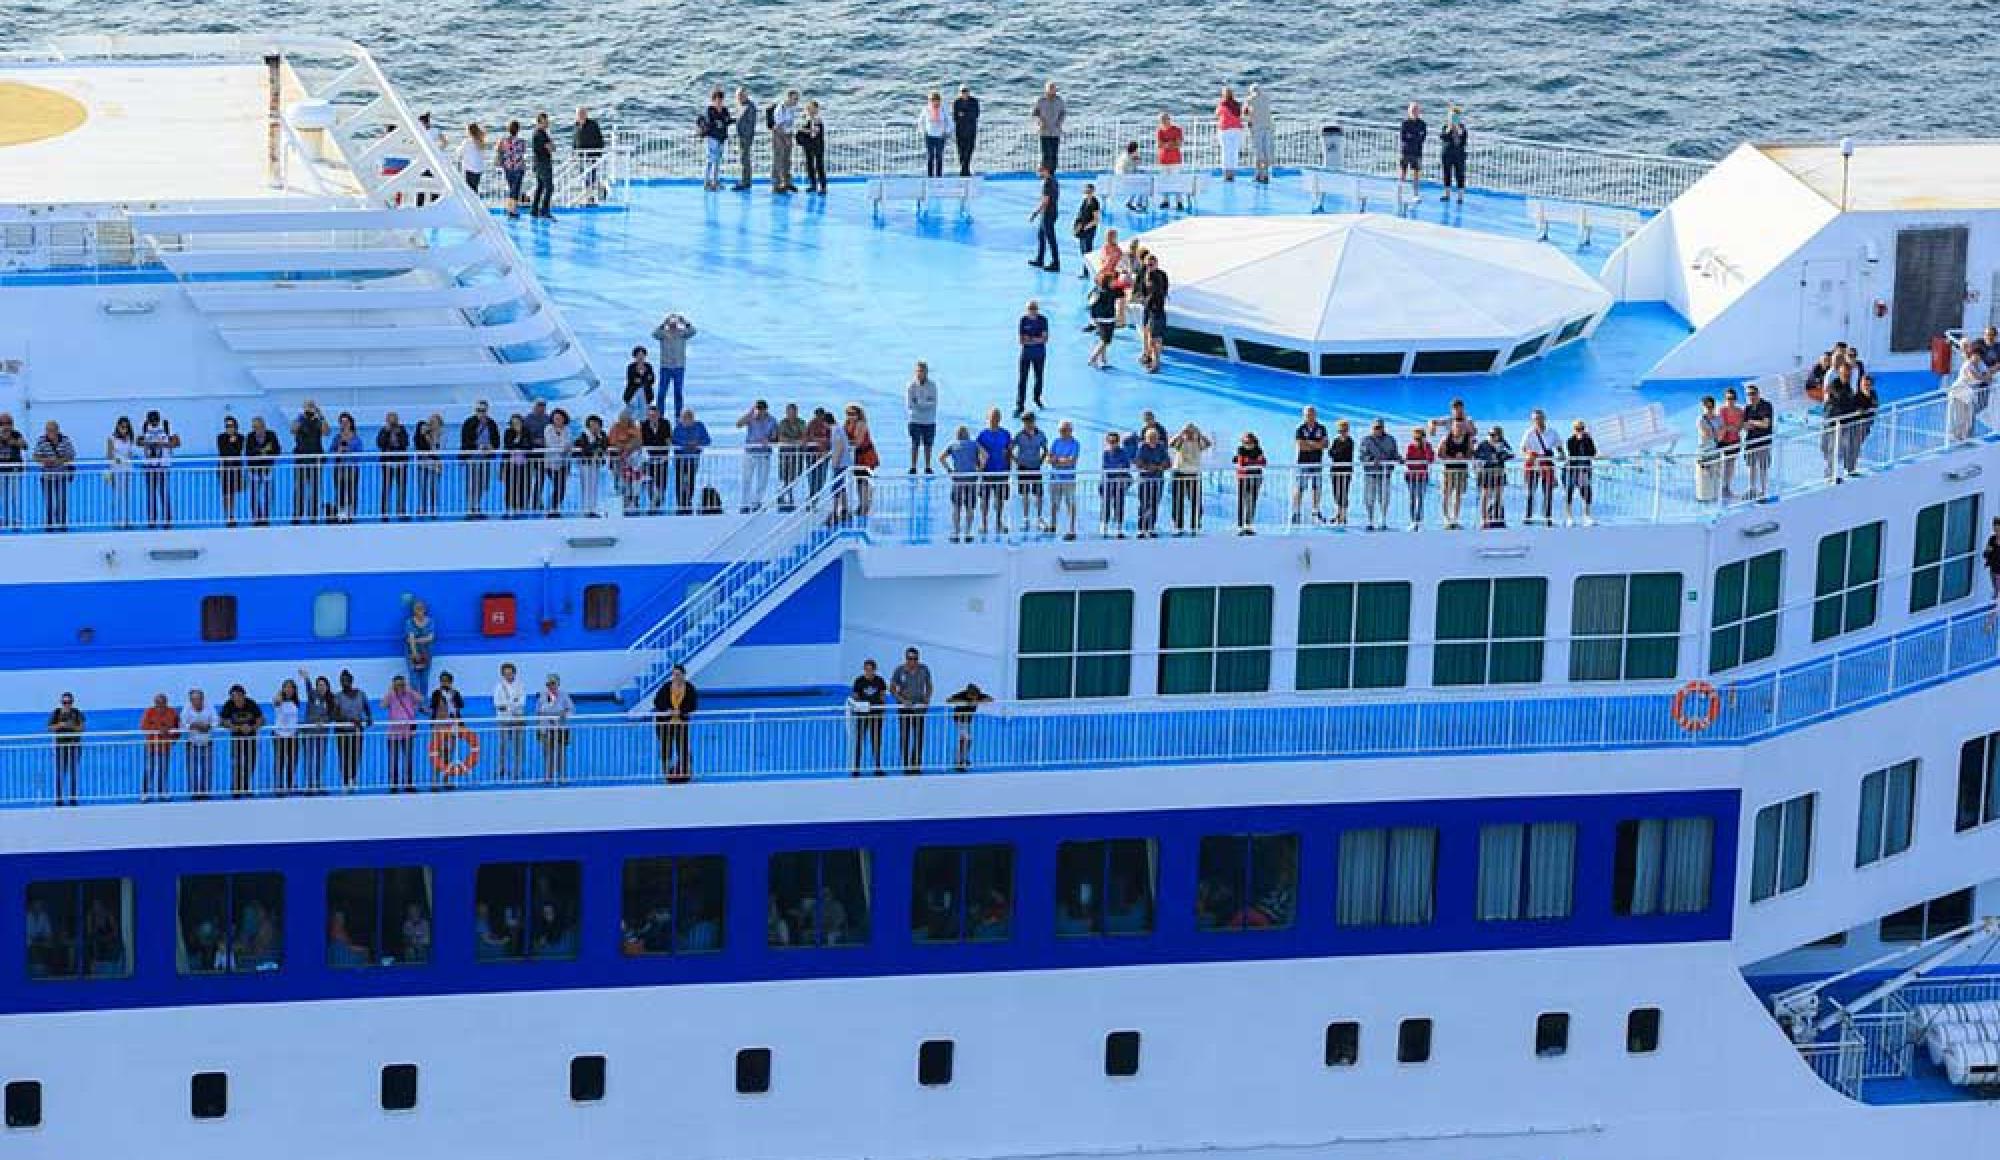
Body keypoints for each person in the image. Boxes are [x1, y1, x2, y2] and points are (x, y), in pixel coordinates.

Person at [890, 647, 933, 774]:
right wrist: (902, 700)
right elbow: (892, 688)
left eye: (915, 659)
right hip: (904, 708)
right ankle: (906, 764)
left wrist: (927, 698)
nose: (912, 661)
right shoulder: (899, 670)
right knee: (905, 736)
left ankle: (916, 764)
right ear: (906, 658)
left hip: (919, 708)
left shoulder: (924, 669)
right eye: (910, 658)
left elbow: (929, 685)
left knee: (919, 736)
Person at [652, 664, 698, 783]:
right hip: (666, 723)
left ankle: (686, 772)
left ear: (684, 674)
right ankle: (666, 773)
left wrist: (681, 711)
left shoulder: (689, 688)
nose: (675, 677)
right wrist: (667, 710)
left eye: (678, 674)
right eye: (674, 674)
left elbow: (693, 705)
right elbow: (657, 701)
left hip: (681, 723)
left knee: (683, 747)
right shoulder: (666, 687)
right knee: (666, 748)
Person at [219, 684, 263, 799]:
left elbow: (261, 719)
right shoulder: (228, 705)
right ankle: (236, 788)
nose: (236, 698)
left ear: (243, 695)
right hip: (236, 739)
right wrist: (235, 727)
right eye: (233, 696)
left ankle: (245, 786)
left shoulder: (251, 703)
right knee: (237, 764)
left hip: (251, 739)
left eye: (238, 695)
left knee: (250, 763)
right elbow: (222, 720)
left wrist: (252, 727)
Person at [381, 675, 423, 794]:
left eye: (402, 684)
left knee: (408, 759)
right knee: (393, 760)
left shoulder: (409, 695)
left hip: (407, 733)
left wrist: (409, 690)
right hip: (393, 734)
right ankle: (393, 785)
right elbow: (382, 705)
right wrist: (390, 691)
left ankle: (408, 784)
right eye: (397, 684)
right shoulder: (391, 696)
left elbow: (421, 699)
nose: (400, 687)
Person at [138, 409, 178, 529]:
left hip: (163, 465)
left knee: (164, 493)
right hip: (149, 466)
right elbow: (138, 441)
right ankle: (152, 520)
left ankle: (167, 520)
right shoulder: (145, 427)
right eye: (151, 421)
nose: (153, 423)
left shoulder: (166, 426)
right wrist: (148, 443)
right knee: (151, 494)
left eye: (155, 420)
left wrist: (161, 444)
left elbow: (177, 442)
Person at [331, 670, 370, 791]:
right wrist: (350, 719)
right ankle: (345, 781)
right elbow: (335, 715)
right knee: (344, 756)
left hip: (357, 730)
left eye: (346, 680)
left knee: (355, 755)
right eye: (342, 681)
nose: (344, 683)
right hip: (342, 731)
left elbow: (367, 709)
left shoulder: (361, 694)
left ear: (351, 681)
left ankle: (353, 778)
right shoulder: (337, 697)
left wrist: (368, 718)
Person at [1169, 422, 1212, 535]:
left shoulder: (1198, 442)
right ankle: (1178, 526)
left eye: (1192, 432)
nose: (1189, 434)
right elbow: (1172, 444)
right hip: (1179, 473)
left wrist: (1199, 434)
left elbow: (1208, 444)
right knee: (1178, 501)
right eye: (1188, 432)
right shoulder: (1181, 441)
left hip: (1194, 474)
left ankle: (1195, 525)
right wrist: (1181, 433)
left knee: (1196, 500)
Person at [33, 419, 75, 532]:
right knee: (49, 501)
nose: (49, 432)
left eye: (52, 430)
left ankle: (62, 523)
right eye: (47, 430)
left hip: (61, 476)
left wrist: (59, 461)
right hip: (46, 477)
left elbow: (71, 455)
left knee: (62, 500)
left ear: (57, 430)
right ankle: (50, 524)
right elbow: (35, 456)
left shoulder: (65, 440)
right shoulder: (41, 440)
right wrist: (45, 460)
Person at [459, 400, 499, 518]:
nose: (481, 413)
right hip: (472, 458)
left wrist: (491, 446)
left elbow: (496, 440)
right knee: (472, 483)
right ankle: (471, 507)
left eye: (483, 410)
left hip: (485, 458)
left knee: (483, 483)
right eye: (479, 410)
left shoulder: (491, 423)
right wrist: (477, 446)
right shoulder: (469, 422)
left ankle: (477, 505)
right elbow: (465, 440)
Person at [940, 425, 981, 542]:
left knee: (956, 507)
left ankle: (956, 532)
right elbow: (985, 455)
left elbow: (941, 458)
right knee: (969, 507)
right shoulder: (974, 444)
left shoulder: (953, 445)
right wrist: (979, 468)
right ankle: (968, 532)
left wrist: (949, 470)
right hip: (971, 479)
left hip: (957, 479)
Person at [975, 409, 1012, 537]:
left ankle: (998, 522)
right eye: (992, 417)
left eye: (996, 417)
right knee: (985, 499)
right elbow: (977, 453)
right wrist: (979, 468)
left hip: (1001, 472)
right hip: (987, 473)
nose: (994, 420)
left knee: (1000, 499)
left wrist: (1008, 469)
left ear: (1000, 418)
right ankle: (984, 524)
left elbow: (1009, 451)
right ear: (988, 418)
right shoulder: (982, 435)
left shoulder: (1006, 434)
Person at [652, 313, 696, 420]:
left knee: (678, 392)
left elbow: (693, 331)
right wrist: (663, 323)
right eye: (671, 324)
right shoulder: (663, 334)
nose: (673, 326)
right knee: (662, 392)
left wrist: (685, 322)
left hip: (678, 367)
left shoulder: (682, 333)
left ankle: (678, 414)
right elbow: (655, 334)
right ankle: (660, 414)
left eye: (675, 323)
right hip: (665, 367)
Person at [1359, 418, 1401, 530]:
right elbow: (1362, 456)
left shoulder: (1391, 439)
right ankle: (1370, 520)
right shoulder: (1366, 440)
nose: (1378, 429)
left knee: (1384, 498)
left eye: (1380, 427)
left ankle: (1383, 520)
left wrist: (1399, 459)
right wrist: (1372, 460)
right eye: (1375, 427)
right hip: (1371, 474)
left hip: (1385, 474)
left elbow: (1394, 454)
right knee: (1369, 498)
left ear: (1383, 427)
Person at [848, 659, 888, 776]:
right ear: (864, 670)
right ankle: (856, 767)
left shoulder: (880, 681)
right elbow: (855, 696)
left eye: (871, 670)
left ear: (875, 670)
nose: (869, 672)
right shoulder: (859, 681)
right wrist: (861, 705)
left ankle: (877, 767)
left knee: (876, 741)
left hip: (876, 715)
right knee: (860, 740)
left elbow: (883, 697)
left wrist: (881, 709)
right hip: (862, 715)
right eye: (867, 670)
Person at [1519, 410, 1559, 526]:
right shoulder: (1529, 433)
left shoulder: (1552, 432)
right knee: (1530, 491)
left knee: (1548, 491)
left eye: (1539, 418)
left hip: (1547, 464)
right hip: (1533, 465)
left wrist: (1561, 454)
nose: (1537, 421)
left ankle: (1547, 516)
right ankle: (1528, 515)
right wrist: (1528, 455)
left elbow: (1559, 445)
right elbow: (1522, 448)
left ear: (1544, 418)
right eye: (1535, 419)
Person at [490, 661, 528, 781]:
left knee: (518, 747)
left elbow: (522, 703)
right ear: (502, 674)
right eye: (506, 674)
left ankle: (517, 770)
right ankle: (501, 768)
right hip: (504, 720)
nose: (508, 676)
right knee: (503, 746)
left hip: (518, 719)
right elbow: (497, 704)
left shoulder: (521, 686)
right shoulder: (498, 687)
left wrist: (508, 706)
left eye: (510, 673)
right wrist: (512, 705)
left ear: (514, 673)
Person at [290, 400, 327, 524]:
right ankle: (297, 515)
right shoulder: (299, 420)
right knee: (299, 488)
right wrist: (302, 416)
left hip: (315, 460)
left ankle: (313, 515)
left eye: (311, 406)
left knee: (315, 488)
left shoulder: (318, 421)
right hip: (301, 459)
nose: (310, 409)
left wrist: (320, 414)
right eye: (308, 407)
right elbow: (293, 430)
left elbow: (326, 431)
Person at [1290, 406, 1328, 524]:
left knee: (1316, 487)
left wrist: (1310, 443)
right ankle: (1296, 512)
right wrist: (1316, 444)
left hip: (1317, 462)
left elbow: (1325, 444)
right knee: (1300, 488)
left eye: (1311, 414)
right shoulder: (1300, 429)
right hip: (1303, 462)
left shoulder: (1321, 428)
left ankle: (1315, 510)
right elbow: (1301, 446)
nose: (1309, 417)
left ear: (1315, 415)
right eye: (1307, 415)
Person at [1013, 412, 1049, 533]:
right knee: (1024, 494)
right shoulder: (1019, 435)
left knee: (1038, 494)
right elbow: (1010, 449)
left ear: (1033, 421)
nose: (1027, 424)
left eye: (1029, 421)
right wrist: (1016, 460)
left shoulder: (1041, 435)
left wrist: (1041, 461)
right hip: (1023, 467)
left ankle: (1039, 518)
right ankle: (1026, 518)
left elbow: (1045, 450)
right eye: (1025, 422)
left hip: (1035, 467)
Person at [301, 670, 335, 795]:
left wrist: (324, 721)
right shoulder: (313, 695)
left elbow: (332, 715)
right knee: (309, 759)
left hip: (322, 734)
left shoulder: (331, 699)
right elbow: (308, 688)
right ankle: (310, 786)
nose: (321, 687)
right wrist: (306, 678)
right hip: (308, 733)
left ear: (327, 686)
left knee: (320, 759)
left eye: (323, 685)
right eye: (319, 685)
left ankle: (319, 784)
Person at [140, 692, 179, 802]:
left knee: (163, 770)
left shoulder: (172, 712)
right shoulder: (149, 712)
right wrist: (158, 730)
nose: (160, 706)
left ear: (166, 703)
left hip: (165, 746)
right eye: (158, 703)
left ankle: (162, 792)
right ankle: (145, 792)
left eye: (162, 703)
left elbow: (176, 728)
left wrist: (172, 740)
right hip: (151, 746)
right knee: (149, 769)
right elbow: (144, 726)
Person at [670, 408, 711, 514]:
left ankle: (688, 502)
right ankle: (680, 505)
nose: (687, 420)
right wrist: (686, 443)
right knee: (680, 481)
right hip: (680, 459)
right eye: (685, 418)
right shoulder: (678, 428)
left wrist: (697, 443)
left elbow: (707, 440)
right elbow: (673, 440)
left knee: (690, 481)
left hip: (693, 460)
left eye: (689, 418)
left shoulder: (699, 426)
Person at [946, 683, 993, 772]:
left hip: (968, 721)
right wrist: (964, 703)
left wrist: (978, 702)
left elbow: (990, 699)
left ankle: (963, 758)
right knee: (965, 739)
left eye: (975, 696)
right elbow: (949, 700)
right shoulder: (962, 695)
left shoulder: (979, 695)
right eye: (972, 696)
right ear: (968, 694)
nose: (974, 698)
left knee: (968, 740)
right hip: (959, 720)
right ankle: (959, 761)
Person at [47, 692, 83, 807]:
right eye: (64, 702)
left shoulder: (77, 713)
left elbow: (82, 728)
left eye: (69, 702)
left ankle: (73, 798)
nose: (66, 704)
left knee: (73, 773)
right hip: (60, 747)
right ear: (61, 702)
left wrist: (71, 726)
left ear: (72, 702)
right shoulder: (56, 713)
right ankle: (59, 798)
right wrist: (61, 725)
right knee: (60, 773)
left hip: (73, 746)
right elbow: (49, 727)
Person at [844, 403, 879, 519]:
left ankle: (865, 504)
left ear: (858, 415)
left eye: (853, 414)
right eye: (848, 414)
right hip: (857, 455)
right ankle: (862, 504)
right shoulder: (847, 424)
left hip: (866, 455)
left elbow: (858, 442)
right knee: (859, 481)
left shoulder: (861, 424)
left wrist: (846, 444)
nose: (850, 416)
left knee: (863, 480)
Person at [1134, 425, 1170, 538]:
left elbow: (1168, 462)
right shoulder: (1142, 447)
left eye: (1155, 437)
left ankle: (1151, 528)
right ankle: (1141, 528)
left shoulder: (1161, 447)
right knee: (1144, 504)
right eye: (1150, 437)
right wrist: (1150, 467)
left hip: (1158, 480)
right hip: (1145, 480)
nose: (1153, 440)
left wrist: (1160, 467)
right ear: (1146, 438)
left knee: (1155, 504)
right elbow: (1139, 463)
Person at [1741, 383, 1775, 500]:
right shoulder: (1747, 408)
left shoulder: (1766, 406)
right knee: (1751, 467)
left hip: (1763, 443)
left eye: (1753, 394)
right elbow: (1745, 426)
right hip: (1750, 442)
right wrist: (1753, 423)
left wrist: (1752, 422)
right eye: (1748, 394)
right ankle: (1752, 489)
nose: (1751, 396)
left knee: (1763, 467)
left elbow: (1766, 424)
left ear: (1758, 394)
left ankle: (1763, 491)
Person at [1438, 417, 1474, 529]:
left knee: (1458, 495)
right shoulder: (1446, 438)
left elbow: (1470, 453)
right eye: (1457, 427)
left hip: (1462, 470)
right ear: (1452, 427)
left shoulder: (1467, 439)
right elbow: (1440, 454)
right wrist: (1453, 457)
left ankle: (1455, 518)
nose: (1459, 429)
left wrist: (1464, 457)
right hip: (1449, 470)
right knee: (1446, 494)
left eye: (1461, 427)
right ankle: (1446, 518)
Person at [1475, 425, 1513, 528]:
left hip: (1499, 472)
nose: (1491, 437)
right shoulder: (1483, 444)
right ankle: (1484, 519)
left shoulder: (1503, 444)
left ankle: (1497, 518)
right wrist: (1489, 457)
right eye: (1490, 434)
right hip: (1486, 472)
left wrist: (1500, 455)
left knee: (1498, 496)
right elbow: (1477, 455)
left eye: (1493, 435)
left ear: (1499, 436)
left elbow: (1511, 453)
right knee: (1485, 495)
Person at [1048, 420, 1081, 540]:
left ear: (1070, 431)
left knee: (1070, 504)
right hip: (1055, 478)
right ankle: (1053, 525)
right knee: (1054, 503)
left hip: (1068, 479)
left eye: (1063, 430)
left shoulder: (1075, 444)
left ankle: (1071, 529)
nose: (1061, 432)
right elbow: (1049, 458)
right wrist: (1060, 460)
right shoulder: (1056, 441)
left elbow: (1071, 461)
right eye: (1060, 430)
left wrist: (1057, 461)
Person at [329, 411, 364, 523]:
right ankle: (341, 513)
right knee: (340, 490)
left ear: (351, 423)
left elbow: (360, 453)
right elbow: (331, 451)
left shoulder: (356, 438)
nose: (344, 424)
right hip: (339, 467)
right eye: (342, 422)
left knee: (352, 490)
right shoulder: (337, 437)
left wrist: (349, 451)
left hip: (352, 467)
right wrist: (338, 451)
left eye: (346, 422)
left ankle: (351, 513)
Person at [183, 687, 217, 799]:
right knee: (192, 768)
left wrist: (208, 726)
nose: (197, 701)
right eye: (194, 699)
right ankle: (194, 792)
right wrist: (193, 726)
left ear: (203, 699)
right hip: (192, 743)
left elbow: (215, 721)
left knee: (207, 768)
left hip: (207, 742)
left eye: (199, 699)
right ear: (190, 700)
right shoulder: (186, 709)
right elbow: (183, 724)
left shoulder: (209, 707)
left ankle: (205, 791)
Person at [376, 411, 410, 520]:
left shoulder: (402, 430)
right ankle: (384, 512)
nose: (392, 422)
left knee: (401, 488)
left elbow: (405, 443)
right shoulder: (383, 430)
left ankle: (401, 511)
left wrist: (398, 434)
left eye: (394, 419)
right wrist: (386, 432)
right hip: (387, 462)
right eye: (390, 419)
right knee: (386, 487)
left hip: (400, 462)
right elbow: (380, 443)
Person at [270, 678, 302, 796]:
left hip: (293, 736)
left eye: (291, 688)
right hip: (279, 735)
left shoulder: (295, 703)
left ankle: (290, 784)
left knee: (292, 761)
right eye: (286, 687)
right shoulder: (279, 701)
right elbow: (275, 701)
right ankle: (278, 785)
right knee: (280, 761)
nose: (289, 690)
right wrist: (281, 693)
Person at [105, 415, 137, 529]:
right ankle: (116, 520)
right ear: (118, 427)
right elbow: (109, 455)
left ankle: (126, 520)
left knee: (126, 496)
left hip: (127, 469)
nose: (124, 429)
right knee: (117, 496)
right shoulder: (111, 438)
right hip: (116, 469)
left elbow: (131, 453)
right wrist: (116, 459)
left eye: (126, 427)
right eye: (122, 427)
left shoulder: (129, 439)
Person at [905, 364, 938, 475]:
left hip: (929, 420)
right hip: (915, 419)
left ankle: (927, 467)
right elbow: (910, 404)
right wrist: (923, 404)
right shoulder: (911, 386)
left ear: (926, 372)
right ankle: (913, 467)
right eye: (918, 371)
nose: (920, 373)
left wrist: (920, 403)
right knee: (915, 443)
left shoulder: (932, 386)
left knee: (928, 444)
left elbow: (933, 403)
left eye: (922, 371)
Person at [1564, 420, 1598, 526]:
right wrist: (1579, 440)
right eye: (1577, 429)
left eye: (1582, 428)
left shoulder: (1588, 440)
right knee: (1569, 491)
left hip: (1584, 469)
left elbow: (1592, 452)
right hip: (1572, 469)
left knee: (1586, 492)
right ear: (1574, 430)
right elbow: (1572, 451)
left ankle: (1586, 515)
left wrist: (1585, 440)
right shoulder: (1570, 440)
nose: (1580, 431)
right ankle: (1569, 517)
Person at [775, 402, 808, 510]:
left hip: (797, 454)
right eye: (789, 412)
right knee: (784, 476)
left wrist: (796, 441)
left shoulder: (801, 422)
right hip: (785, 454)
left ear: (796, 412)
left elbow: (804, 436)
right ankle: (784, 496)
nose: (791, 414)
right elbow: (781, 438)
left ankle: (788, 496)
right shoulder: (783, 423)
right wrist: (794, 441)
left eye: (793, 411)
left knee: (795, 476)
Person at [1140, 253, 1169, 372]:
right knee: (1147, 332)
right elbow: (1143, 290)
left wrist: (1147, 300)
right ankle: (1147, 355)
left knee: (1155, 338)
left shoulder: (1158, 276)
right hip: (1149, 309)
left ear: (1156, 264)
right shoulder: (1145, 274)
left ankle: (1156, 362)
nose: (1149, 266)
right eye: (1147, 265)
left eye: (1151, 264)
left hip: (1156, 310)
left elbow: (1159, 292)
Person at [1233, 431, 1266, 533]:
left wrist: (1250, 462)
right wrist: (1254, 461)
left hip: (1256, 478)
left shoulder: (1258, 450)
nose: (1248, 445)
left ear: (1255, 442)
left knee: (1252, 501)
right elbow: (1242, 462)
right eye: (1245, 442)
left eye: (1250, 442)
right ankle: (1240, 525)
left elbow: (1263, 462)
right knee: (1242, 501)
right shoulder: (1240, 449)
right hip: (1243, 478)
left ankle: (1249, 525)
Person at [1100, 431, 1132, 537]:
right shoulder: (1105, 453)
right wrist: (1117, 469)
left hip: (1119, 483)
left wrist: (1118, 470)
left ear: (1118, 442)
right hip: (1108, 483)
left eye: (1114, 441)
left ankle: (1119, 528)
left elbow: (1126, 466)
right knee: (1106, 505)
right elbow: (1106, 467)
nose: (1112, 443)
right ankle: (1104, 526)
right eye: (1110, 441)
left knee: (1119, 505)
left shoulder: (1123, 452)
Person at [1029, 165, 1061, 272]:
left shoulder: (1047, 183)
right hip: (1053, 211)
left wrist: (1035, 212)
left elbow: (1045, 201)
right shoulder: (1054, 180)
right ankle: (1040, 259)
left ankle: (1055, 263)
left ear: (1045, 171)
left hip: (1047, 213)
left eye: (1039, 171)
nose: (1038, 174)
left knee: (1050, 238)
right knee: (1041, 236)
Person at [1086, 269, 1120, 370]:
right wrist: (1094, 319)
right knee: (1106, 341)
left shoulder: (1111, 291)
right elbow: (1093, 306)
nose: (1115, 282)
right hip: (1104, 320)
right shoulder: (1101, 293)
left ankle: (1103, 360)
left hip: (1108, 319)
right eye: (1113, 280)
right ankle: (1093, 358)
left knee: (1103, 339)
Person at [1845, 375, 1878, 476]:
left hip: (1866, 425)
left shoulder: (1873, 394)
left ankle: (1849, 466)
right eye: (1864, 385)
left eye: (1868, 385)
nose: (1866, 387)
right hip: (1856, 425)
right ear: (1860, 385)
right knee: (1854, 446)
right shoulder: (1857, 396)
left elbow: (1875, 406)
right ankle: (1850, 468)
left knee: (1857, 446)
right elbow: (1853, 409)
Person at [698, 88, 730, 191]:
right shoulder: (710, 110)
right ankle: (707, 182)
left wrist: (723, 122)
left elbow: (727, 121)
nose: (719, 101)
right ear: (713, 100)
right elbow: (711, 123)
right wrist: (720, 122)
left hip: (721, 138)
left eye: (721, 99)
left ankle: (715, 182)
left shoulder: (725, 110)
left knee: (718, 161)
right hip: (712, 138)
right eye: (717, 99)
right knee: (710, 160)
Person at [403, 599, 436, 698]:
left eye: (421, 608)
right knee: (413, 679)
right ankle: (414, 703)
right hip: (412, 653)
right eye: (417, 609)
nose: (419, 611)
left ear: (425, 609)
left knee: (425, 679)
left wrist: (415, 640)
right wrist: (414, 653)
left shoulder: (430, 621)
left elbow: (431, 638)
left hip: (427, 653)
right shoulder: (409, 622)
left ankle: (423, 702)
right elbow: (411, 637)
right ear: (413, 610)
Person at [1403, 426, 1435, 529]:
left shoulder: (1428, 446)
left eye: (1420, 438)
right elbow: (1408, 462)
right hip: (1411, 477)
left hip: (1423, 477)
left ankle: (1419, 520)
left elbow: (1430, 459)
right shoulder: (1410, 447)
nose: (1418, 440)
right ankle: (1413, 520)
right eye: (1416, 438)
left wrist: (1425, 447)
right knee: (1412, 498)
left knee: (1420, 498)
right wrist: (1418, 464)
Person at [495, 120, 528, 217]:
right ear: (518, 130)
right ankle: (512, 210)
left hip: (508, 167)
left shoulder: (503, 141)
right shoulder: (521, 142)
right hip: (518, 167)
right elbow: (523, 152)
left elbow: (498, 150)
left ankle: (509, 208)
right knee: (515, 190)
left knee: (511, 189)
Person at [770, 90, 800, 194]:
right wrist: (785, 139)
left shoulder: (791, 109)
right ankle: (777, 184)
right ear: (789, 98)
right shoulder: (780, 108)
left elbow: (790, 124)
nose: (796, 101)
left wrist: (790, 137)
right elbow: (778, 126)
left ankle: (787, 182)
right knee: (779, 160)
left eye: (797, 99)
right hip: (779, 136)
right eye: (795, 98)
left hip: (788, 135)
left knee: (787, 160)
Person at [1031, 81, 1065, 172]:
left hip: (1055, 131)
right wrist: (1040, 121)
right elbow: (1035, 113)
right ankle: (1045, 174)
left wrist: (1060, 122)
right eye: (1050, 89)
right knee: (1045, 154)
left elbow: (1063, 113)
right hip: (1044, 131)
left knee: (1054, 154)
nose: (1052, 91)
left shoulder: (1059, 100)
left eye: (1054, 89)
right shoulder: (1040, 100)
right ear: (1046, 90)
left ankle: (1052, 173)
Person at [1154, 112, 1185, 210]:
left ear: (1169, 119)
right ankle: (1165, 201)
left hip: (1175, 160)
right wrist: (1170, 143)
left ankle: (1179, 202)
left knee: (1176, 181)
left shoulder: (1177, 130)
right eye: (1162, 120)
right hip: (1163, 160)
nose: (1163, 122)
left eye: (1165, 119)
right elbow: (1159, 145)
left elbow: (1179, 144)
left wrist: (1167, 144)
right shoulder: (1159, 131)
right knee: (1164, 181)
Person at [1718, 387, 1745, 500]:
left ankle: (1726, 488)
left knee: (1730, 466)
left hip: (1735, 441)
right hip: (1724, 441)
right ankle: (1719, 488)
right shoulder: (1722, 410)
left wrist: (1731, 427)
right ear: (1725, 399)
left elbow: (1739, 427)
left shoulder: (1740, 411)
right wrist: (1731, 427)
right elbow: (1723, 426)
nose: (1731, 400)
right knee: (1721, 465)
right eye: (1728, 398)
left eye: (1733, 398)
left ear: (1736, 399)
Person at [0, 412, 25, 530]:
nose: (5, 426)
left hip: (15, 469)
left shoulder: (16, 434)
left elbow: (25, 445)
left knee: (15, 496)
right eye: (2, 423)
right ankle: (3, 519)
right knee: (2, 497)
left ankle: (17, 520)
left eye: (8, 423)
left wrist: (11, 440)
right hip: (1, 470)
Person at [1328, 418, 1355, 526]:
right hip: (1335, 470)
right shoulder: (1336, 440)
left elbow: (1342, 454)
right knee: (1336, 493)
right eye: (1340, 430)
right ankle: (1338, 513)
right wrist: (1336, 453)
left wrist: (1336, 453)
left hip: (1345, 471)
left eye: (1344, 430)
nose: (1342, 433)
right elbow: (1331, 453)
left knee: (1344, 493)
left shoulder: (1350, 442)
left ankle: (1343, 515)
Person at [1245, 83, 1275, 184]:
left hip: (1257, 128)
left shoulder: (1250, 99)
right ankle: (1266, 175)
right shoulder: (1266, 98)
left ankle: (1258, 174)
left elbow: (1245, 112)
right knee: (1266, 151)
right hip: (1268, 128)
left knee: (1258, 152)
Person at [1438, 105, 1468, 203]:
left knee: (1460, 175)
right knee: (1447, 174)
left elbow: (1463, 140)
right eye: (1451, 116)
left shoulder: (1462, 127)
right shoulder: (1445, 127)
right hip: (1447, 154)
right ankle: (1447, 195)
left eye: (1455, 116)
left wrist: (1458, 129)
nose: (1453, 118)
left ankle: (1460, 197)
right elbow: (1442, 137)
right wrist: (1449, 128)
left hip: (1459, 155)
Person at [1216, 86, 1246, 181]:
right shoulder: (1237, 104)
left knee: (1225, 152)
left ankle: (1226, 174)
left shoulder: (1223, 104)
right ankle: (1232, 174)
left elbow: (1217, 113)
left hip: (1225, 130)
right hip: (1237, 130)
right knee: (1234, 152)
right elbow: (1241, 114)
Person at [1398, 101, 1428, 199]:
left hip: (1417, 152)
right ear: (1409, 111)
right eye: (1412, 110)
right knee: (1403, 172)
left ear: (1419, 111)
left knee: (1416, 173)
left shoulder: (1422, 124)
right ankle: (1400, 192)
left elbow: (1423, 137)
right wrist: (1415, 137)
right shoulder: (1405, 123)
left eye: (1416, 110)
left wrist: (1412, 136)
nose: (1414, 112)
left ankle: (1415, 193)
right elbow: (1403, 137)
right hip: (1406, 151)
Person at [530, 111, 556, 219]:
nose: (547, 124)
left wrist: (551, 146)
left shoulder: (540, 133)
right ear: (540, 122)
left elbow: (552, 147)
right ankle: (544, 210)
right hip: (543, 163)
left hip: (539, 163)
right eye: (545, 122)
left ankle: (534, 209)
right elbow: (551, 147)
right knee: (549, 187)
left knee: (540, 187)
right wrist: (551, 146)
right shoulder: (540, 134)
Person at [798, 99, 827, 195]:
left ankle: (823, 187)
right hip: (808, 145)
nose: (811, 110)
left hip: (817, 145)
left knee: (819, 166)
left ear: (816, 109)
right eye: (809, 108)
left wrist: (804, 130)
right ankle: (813, 185)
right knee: (809, 165)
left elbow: (814, 132)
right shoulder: (805, 118)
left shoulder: (818, 119)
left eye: (813, 108)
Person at [732, 88, 758, 191]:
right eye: (738, 96)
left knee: (745, 159)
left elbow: (750, 123)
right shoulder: (742, 106)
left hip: (746, 137)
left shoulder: (749, 106)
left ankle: (745, 182)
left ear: (746, 95)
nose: (739, 98)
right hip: (742, 136)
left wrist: (746, 136)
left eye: (741, 95)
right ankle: (745, 180)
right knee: (744, 159)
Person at [1073, 182, 1101, 275]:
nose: (1087, 193)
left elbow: (1096, 219)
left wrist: (1086, 227)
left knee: (1088, 251)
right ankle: (1085, 270)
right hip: (1082, 229)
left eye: (1089, 191)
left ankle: (1088, 271)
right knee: (1083, 251)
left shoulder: (1094, 202)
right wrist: (1077, 227)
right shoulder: (1085, 201)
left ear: (1093, 192)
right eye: (1086, 191)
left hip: (1089, 230)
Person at [952, 84, 980, 176]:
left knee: (969, 150)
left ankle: (965, 169)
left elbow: (976, 115)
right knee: (961, 151)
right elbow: (955, 117)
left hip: (971, 130)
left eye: (965, 91)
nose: (964, 93)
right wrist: (966, 114)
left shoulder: (974, 101)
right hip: (960, 131)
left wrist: (964, 114)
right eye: (962, 91)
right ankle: (964, 170)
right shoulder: (956, 102)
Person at [920, 90, 949, 177]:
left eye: (936, 100)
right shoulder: (926, 109)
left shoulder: (943, 109)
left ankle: (939, 175)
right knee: (930, 157)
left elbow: (949, 122)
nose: (935, 102)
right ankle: (930, 175)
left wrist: (945, 131)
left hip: (940, 136)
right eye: (932, 100)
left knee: (939, 157)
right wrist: (923, 131)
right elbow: (920, 121)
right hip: (929, 136)